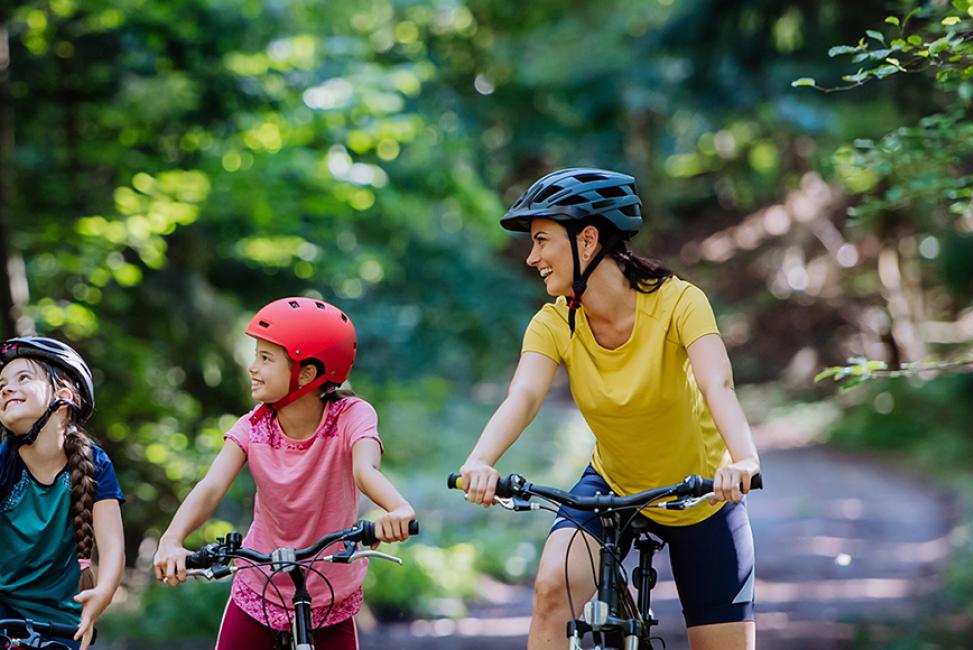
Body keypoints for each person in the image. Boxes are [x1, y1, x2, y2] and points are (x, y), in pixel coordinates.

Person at [456, 168, 762, 649]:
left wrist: (743, 459)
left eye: (541, 240)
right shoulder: (553, 323)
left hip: (703, 496)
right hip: (612, 487)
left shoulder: (680, 302)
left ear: (588, 239)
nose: (532, 257)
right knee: (551, 590)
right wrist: (480, 460)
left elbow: (717, 383)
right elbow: (524, 396)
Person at [152, 297, 416, 650]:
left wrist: (397, 508)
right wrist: (171, 539)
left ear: (307, 373)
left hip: (330, 594)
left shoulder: (351, 416)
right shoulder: (252, 427)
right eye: (256, 356)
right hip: (260, 585)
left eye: (266, 358)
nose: (252, 367)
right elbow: (211, 486)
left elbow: (364, 470)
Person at [0, 337, 125, 650]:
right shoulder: (4, 463)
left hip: (61, 623)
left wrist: (104, 592)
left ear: (64, 396)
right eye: (2, 384)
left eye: (23, 378)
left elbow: (112, 547)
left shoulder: (95, 464)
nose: (6, 389)